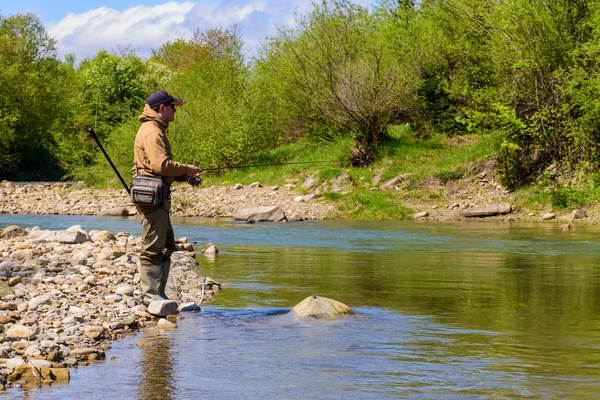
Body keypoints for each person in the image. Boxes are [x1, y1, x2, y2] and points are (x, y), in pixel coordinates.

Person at [133, 90, 200, 304]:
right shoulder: (152, 132)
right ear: (162, 108)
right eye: (173, 107)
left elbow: (158, 168)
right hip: (152, 198)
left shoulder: (155, 129)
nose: (175, 111)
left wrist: (183, 176)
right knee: (153, 246)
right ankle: (151, 296)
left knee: (165, 245)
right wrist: (186, 169)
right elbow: (159, 165)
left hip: (157, 195)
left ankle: (159, 294)